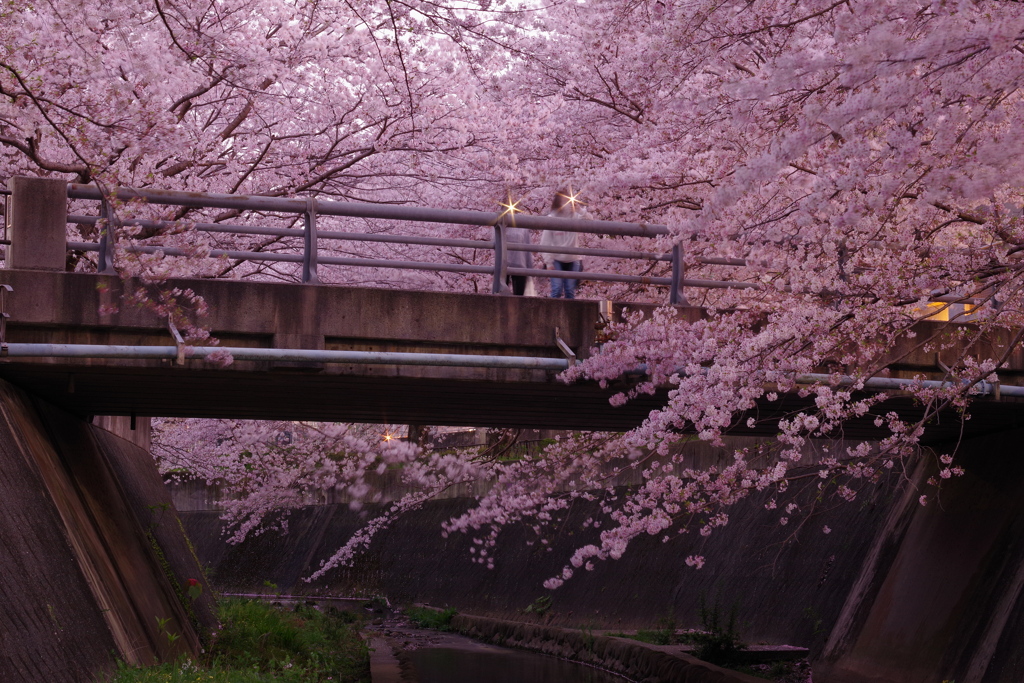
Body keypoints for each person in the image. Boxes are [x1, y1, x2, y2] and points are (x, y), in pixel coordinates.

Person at [540, 187, 583, 299]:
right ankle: (551, 314)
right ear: (558, 202)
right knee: (557, 289)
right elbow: (545, 242)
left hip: (573, 258)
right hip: (556, 259)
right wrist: (548, 262)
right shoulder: (551, 218)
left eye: (567, 200)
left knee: (569, 290)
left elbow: (590, 222)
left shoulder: (575, 216)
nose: (566, 204)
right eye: (563, 201)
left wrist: (580, 211)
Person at [504, 225, 532, 295]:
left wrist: (529, 268)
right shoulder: (501, 224)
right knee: (501, 294)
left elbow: (527, 248)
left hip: (520, 263)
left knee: (519, 296)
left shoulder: (522, 227)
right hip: (504, 263)